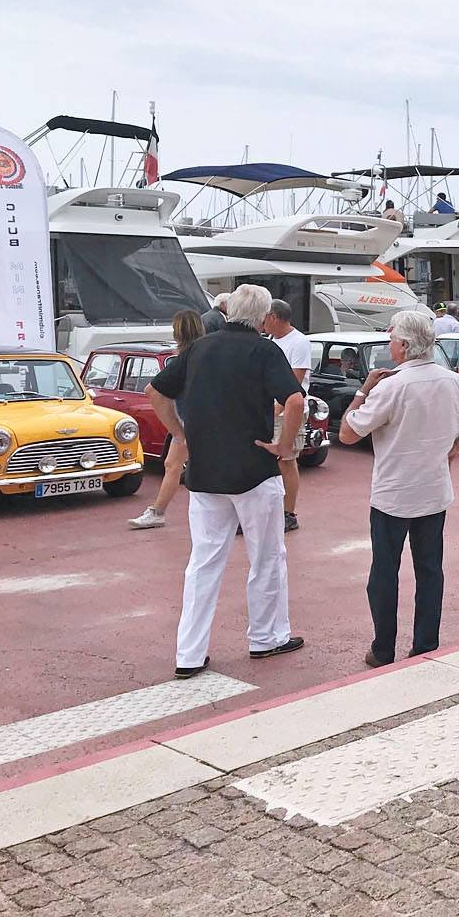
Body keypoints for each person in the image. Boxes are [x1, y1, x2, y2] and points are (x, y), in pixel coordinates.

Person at [144, 284, 306, 679]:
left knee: (203, 563)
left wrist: (180, 434)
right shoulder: (265, 351)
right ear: (263, 317)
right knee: (267, 557)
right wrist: (284, 447)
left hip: (205, 473)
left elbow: (155, 392)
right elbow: (295, 400)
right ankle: (266, 638)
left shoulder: (198, 348)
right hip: (254, 471)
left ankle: (189, 654)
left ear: (230, 310)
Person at [337, 310, 459, 667]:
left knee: (384, 574)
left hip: (393, 494)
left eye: (391, 339)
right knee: (429, 571)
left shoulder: (392, 386)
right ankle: (426, 644)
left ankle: (383, 649)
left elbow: (347, 434)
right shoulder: (452, 381)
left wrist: (363, 391)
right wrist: (457, 446)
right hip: (433, 491)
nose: (389, 345)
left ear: (404, 345)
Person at [129, 310, 206, 530]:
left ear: (178, 332)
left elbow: (152, 391)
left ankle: (158, 512)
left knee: (178, 466)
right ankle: (157, 511)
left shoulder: (184, 359)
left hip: (191, 423)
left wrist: (177, 431)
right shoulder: (202, 354)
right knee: (173, 464)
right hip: (196, 421)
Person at [262, 299, 312, 533]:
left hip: (288, 411)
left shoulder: (299, 342)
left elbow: (295, 382)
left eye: (264, 318)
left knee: (287, 460)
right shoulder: (270, 341)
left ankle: (288, 513)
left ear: (273, 317)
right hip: (269, 410)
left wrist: (276, 410)